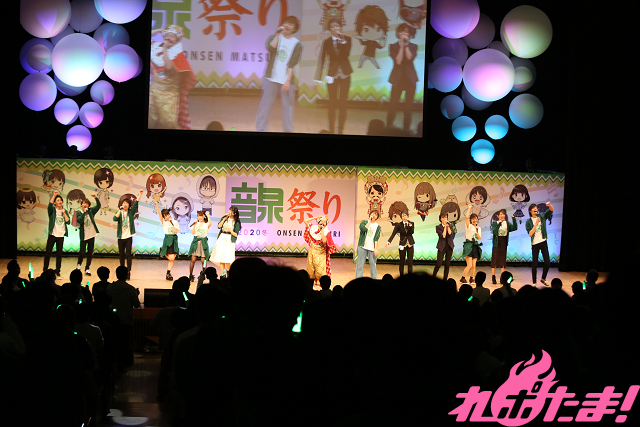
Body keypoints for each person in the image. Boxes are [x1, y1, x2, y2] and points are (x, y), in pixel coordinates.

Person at [255, 16, 303, 132]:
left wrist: (287, 81)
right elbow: (271, 48)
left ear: (295, 28)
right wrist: (277, 34)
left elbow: (292, 64)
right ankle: (260, 129)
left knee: (287, 108)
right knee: (265, 105)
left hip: (286, 80)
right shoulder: (274, 38)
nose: (287, 25)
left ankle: (287, 131)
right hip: (271, 78)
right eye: (286, 23)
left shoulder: (297, 44)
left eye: (290, 24)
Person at [149, 25, 196, 129]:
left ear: (177, 40)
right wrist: (159, 30)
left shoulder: (177, 54)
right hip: (153, 90)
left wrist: (165, 50)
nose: (168, 38)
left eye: (172, 36)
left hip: (169, 94)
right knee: (150, 119)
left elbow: (168, 66)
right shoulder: (156, 48)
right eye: (167, 35)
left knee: (167, 122)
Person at [314, 18, 352, 134]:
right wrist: (317, 79)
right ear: (329, 29)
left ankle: (340, 130)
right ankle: (331, 129)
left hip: (345, 74)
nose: (334, 28)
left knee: (343, 103)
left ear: (340, 27)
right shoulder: (327, 42)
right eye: (332, 27)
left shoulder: (347, 40)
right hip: (331, 75)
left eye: (336, 26)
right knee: (332, 103)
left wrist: (342, 40)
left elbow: (346, 54)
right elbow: (322, 59)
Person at [106, 266, 141, 370]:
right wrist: (136, 294)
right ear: (126, 275)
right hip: (126, 320)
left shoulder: (109, 287)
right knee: (125, 342)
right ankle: (124, 363)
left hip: (112, 320)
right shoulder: (131, 289)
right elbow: (137, 305)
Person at [386, 23, 418, 131]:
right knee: (393, 106)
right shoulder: (392, 46)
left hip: (410, 80)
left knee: (408, 108)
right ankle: (388, 127)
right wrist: (401, 47)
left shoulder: (413, 46)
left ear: (409, 34)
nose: (403, 34)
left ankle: (406, 130)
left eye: (406, 32)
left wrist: (406, 46)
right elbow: (398, 61)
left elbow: (409, 58)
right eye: (401, 31)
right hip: (397, 80)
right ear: (398, 33)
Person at [113, 189, 144, 279]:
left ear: (129, 205)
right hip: (121, 237)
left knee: (128, 255)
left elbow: (136, 203)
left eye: (126, 203)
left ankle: (128, 272)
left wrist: (140, 194)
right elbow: (114, 219)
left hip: (129, 237)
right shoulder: (119, 213)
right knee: (121, 255)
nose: (125, 204)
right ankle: (122, 272)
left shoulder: (131, 212)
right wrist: (120, 210)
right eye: (124, 203)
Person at [525, 202, 554, 286]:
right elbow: (530, 234)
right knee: (535, 264)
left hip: (543, 241)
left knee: (547, 262)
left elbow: (551, 210)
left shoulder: (542, 216)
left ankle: (543, 279)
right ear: (530, 211)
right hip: (535, 243)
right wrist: (536, 224)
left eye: (536, 208)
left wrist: (549, 205)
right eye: (533, 208)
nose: (535, 209)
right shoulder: (528, 221)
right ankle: (534, 282)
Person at [303, 215, 337, 286]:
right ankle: (310, 285)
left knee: (320, 271)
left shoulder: (326, 232)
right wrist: (314, 218)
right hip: (312, 251)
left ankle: (321, 286)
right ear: (318, 223)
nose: (322, 224)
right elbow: (305, 221)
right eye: (321, 222)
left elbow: (324, 241)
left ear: (326, 224)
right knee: (310, 269)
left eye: (324, 223)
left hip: (320, 254)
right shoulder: (313, 228)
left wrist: (322, 230)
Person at [43, 190, 70, 276]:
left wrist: (64, 213)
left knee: (59, 254)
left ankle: (57, 270)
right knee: (48, 253)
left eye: (61, 200)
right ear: (55, 203)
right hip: (52, 235)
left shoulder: (64, 211)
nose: (60, 201)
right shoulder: (52, 210)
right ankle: (45, 270)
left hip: (60, 236)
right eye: (58, 200)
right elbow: (49, 205)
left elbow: (68, 221)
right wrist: (54, 196)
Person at [210, 206, 241, 277]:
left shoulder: (236, 222)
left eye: (231, 211)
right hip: (222, 237)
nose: (229, 211)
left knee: (227, 258)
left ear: (234, 213)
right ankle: (223, 274)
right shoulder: (225, 218)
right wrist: (224, 219)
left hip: (230, 239)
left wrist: (230, 230)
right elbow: (219, 226)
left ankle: (229, 274)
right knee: (221, 258)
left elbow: (236, 234)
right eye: (229, 210)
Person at [75, 194, 101, 276]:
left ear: (89, 205)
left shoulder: (91, 211)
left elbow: (98, 206)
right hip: (84, 236)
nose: (85, 204)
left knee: (90, 253)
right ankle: (79, 265)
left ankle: (87, 268)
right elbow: (79, 220)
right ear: (81, 205)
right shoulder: (79, 213)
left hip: (91, 235)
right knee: (82, 253)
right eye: (83, 203)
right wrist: (84, 213)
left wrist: (96, 198)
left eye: (86, 203)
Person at [490, 209, 517, 284]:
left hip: (503, 242)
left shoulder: (506, 223)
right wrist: (499, 224)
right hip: (497, 242)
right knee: (495, 259)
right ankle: (493, 276)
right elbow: (495, 232)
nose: (502, 216)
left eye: (503, 214)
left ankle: (502, 278)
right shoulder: (495, 223)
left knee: (503, 260)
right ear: (498, 216)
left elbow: (514, 228)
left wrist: (514, 219)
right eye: (501, 214)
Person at [155, 200, 180, 281]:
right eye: (165, 216)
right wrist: (156, 204)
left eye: (168, 214)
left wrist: (172, 223)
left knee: (172, 258)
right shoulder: (164, 222)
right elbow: (159, 214)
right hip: (167, 239)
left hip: (174, 239)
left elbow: (175, 231)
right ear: (164, 217)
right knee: (171, 258)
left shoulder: (175, 222)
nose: (167, 216)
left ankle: (168, 272)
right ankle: (163, 252)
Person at [385, 209, 415, 276]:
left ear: (408, 216)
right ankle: (401, 276)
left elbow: (412, 232)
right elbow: (393, 234)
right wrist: (388, 242)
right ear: (401, 217)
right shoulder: (399, 225)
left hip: (410, 244)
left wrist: (410, 225)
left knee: (410, 262)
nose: (404, 217)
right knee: (402, 261)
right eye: (403, 216)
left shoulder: (411, 223)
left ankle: (410, 277)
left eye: (405, 215)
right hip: (402, 245)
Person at [355, 209, 381, 279]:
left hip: (371, 248)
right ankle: (358, 279)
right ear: (370, 214)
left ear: (377, 217)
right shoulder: (364, 222)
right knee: (360, 264)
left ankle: (374, 279)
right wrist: (369, 221)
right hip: (362, 246)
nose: (374, 215)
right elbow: (363, 229)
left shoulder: (378, 227)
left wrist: (376, 249)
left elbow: (376, 239)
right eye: (372, 213)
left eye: (376, 214)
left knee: (373, 265)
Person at [188, 210, 213, 282]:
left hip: (203, 242)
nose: (200, 217)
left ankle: (203, 275)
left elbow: (210, 223)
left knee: (203, 260)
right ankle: (190, 275)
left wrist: (208, 215)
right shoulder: (196, 223)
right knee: (193, 259)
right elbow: (193, 232)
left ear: (204, 216)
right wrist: (195, 224)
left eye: (201, 216)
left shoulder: (206, 224)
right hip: (196, 242)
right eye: (198, 216)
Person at [460, 204, 482, 284]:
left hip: (475, 246)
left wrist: (477, 230)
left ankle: (471, 279)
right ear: (471, 220)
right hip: (468, 245)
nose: (474, 220)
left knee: (473, 265)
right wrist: (469, 208)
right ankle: (462, 278)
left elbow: (479, 238)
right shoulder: (468, 226)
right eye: (473, 219)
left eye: (476, 219)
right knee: (469, 265)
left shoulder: (478, 228)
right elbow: (466, 217)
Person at [433, 211, 455, 281]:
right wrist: (445, 227)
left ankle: (445, 280)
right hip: (441, 247)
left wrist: (447, 226)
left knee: (447, 264)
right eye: (443, 218)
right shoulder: (438, 227)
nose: (445, 219)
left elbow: (450, 233)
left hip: (449, 246)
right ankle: (433, 277)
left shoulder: (450, 226)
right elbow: (443, 236)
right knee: (439, 264)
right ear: (440, 219)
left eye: (446, 218)